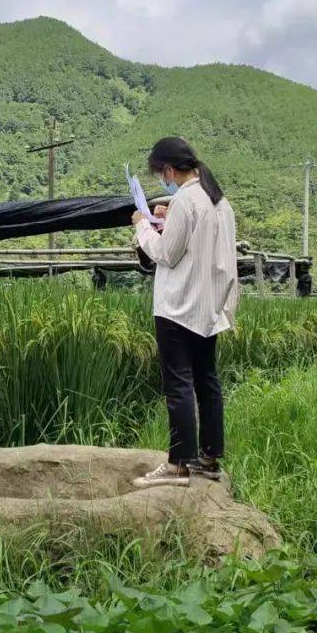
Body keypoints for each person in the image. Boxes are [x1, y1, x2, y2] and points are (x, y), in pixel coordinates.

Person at [130, 136, 238, 486]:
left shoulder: (185, 202)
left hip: (177, 307)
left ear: (168, 170)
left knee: (178, 384)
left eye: (161, 173)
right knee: (207, 380)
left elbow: (166, 253)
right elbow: (194, 244)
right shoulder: (218, 201)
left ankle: (179, 464)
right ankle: (210, 458)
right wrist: (166, 216)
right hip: (208, 307)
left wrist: (142, 226)